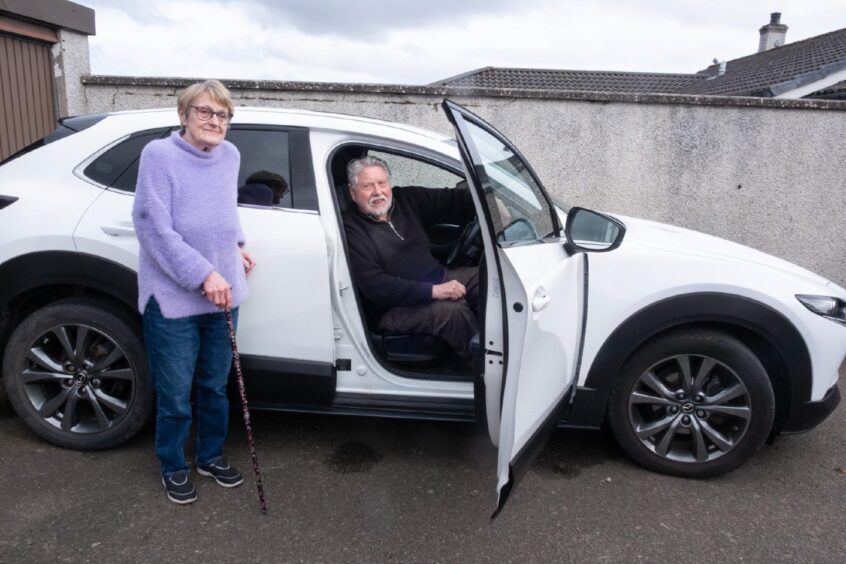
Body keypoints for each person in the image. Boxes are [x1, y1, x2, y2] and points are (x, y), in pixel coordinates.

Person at [132, 79, 256, 505]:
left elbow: (225, 209)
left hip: (223, 293)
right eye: (204, 112)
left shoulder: (230, 155)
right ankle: (173, 465)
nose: (215, 121)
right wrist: (204, 274)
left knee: (214, 387)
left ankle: (210, 456)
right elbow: (153, 228)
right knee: (176, 395)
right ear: (183, 115)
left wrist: (236, 247)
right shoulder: (159, 156)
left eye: (222, 115)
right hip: (173, 298)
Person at [342, 156, 479, 358]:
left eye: (382, 183)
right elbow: (376, 285)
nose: (378, 192)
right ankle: (483, 370)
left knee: (487, 279)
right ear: (352, 193)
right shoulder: (350, 227)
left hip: (438, 277)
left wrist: (493, 203)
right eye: (367, 186)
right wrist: (433, 291)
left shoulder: (405, 200)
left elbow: (454, 200)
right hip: (391, 308)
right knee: (452, 312)